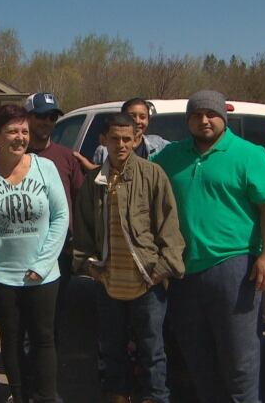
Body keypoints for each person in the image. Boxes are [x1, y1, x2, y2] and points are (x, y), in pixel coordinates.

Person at [152, 90, 265, 402]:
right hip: (184, 271)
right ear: (188, 121)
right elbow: (138, 175)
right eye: (196, 115)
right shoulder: (171, 156)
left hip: (234, 269)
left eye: (211, 114)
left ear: (223, 118)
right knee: (198, 360)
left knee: (240, 360)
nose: (204, 120)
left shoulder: (249, 154)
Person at [73, 112, 185, 403]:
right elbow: (83, 230)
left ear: (137, 140)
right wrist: (88, 264)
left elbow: (170, 227)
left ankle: (155, 397)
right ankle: (119, 396)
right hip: (108, 282)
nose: (121, 145)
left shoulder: (152, 175)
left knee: (152, 351)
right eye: (114, 138)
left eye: (127, 139)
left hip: (147, 281)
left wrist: (162, 268)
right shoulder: (94, 180)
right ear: (103, 140)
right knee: (112, 349)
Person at [0, 104, 69, 403]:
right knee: (10, 340)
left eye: (24, 131)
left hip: (43, 275)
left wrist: (44, 263)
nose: (20, 137)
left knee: (43, 339)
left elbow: (61, 217)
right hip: (1, 275)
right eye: (12, 131)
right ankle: (20, 395)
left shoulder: (44, 167)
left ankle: (47, 396)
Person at [24, 92, 85, 340]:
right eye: (40, 116)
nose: (46, 122)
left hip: (58, 251)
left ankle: (46, 372)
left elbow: (80, 201)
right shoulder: (13, 155)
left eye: (51, 117)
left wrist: (77, 242)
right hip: (20, 249)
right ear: (26, 117)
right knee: (22, 319)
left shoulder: (67, 157)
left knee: (51, 320)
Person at [76, 98, 170, 171]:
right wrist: (95, 170)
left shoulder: (159, 145)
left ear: (148, 120)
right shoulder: (104, 151)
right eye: (132, 116)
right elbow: (99, 183)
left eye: (142, 117)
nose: (137, 121)